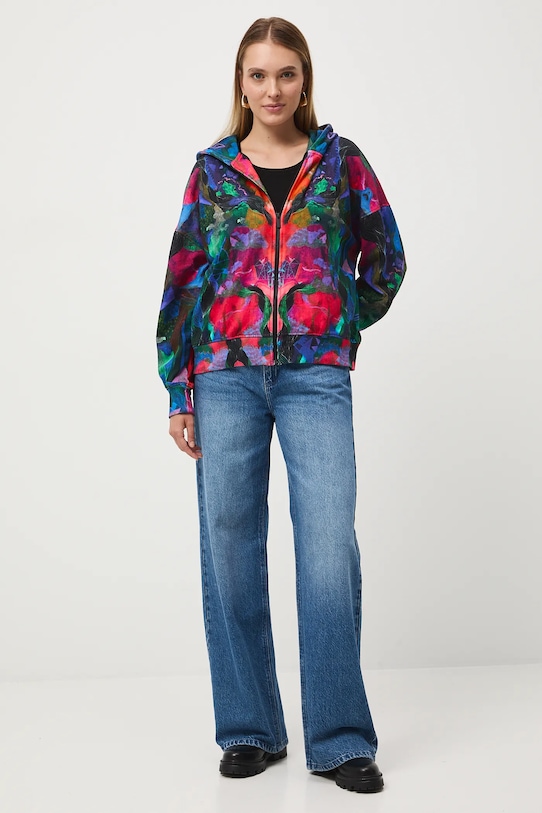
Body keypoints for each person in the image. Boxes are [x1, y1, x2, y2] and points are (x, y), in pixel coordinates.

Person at [156, 16, 406, 794]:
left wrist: (338, 321)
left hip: (314, 376)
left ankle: (339, 737)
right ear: (242, 83)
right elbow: (183, 280)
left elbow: (387, 259)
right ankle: (249, 728)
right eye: (259, 75)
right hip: (223, 376)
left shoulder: (340, 162)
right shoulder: (212, 170)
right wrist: (178, 386)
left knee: (328, 547)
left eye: (286, 74)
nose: (272, 89)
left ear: (304, 80)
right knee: (230, 546)